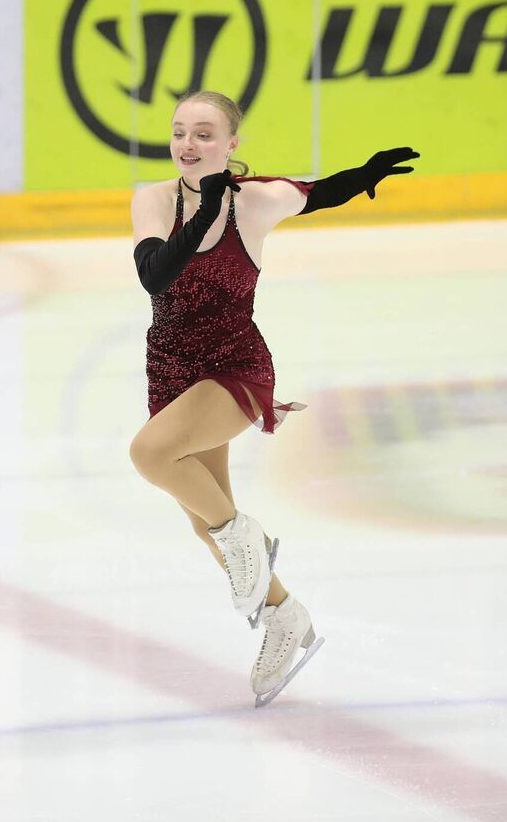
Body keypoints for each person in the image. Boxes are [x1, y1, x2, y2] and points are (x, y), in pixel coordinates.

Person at [129, 90, 419, 706]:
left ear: (232, 145)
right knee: (211, 524)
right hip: (171, 371)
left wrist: (364, 175)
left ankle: (250, 541)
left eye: (206, 134)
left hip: (236, 369)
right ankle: (287, 619)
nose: (188, 145)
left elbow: (317, 192)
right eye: (180, 132)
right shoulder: (153, 201)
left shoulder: (255, 200)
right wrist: (203, 209)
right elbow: (155, 274)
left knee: (152, 457)